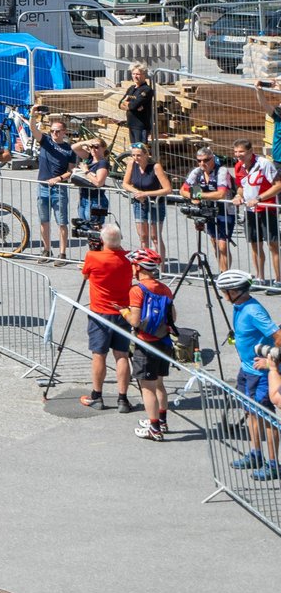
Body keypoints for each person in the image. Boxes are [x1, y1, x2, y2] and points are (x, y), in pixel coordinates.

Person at [219, 270, 281, 480]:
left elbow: (279, 336)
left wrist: (271, 359)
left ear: (235, 291)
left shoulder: (254, 310)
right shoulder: (239, 306)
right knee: (251, 413)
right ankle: (256, 454)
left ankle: (273, 464)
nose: (223, 295)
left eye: (224, 291)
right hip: (246, 370)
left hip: (261, 373)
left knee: (266, 417)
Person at [78, 224, 136, 411]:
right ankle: (123, 399)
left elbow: (85, 275)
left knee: (99, 355)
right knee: (122, 355)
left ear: (102, 240)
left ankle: (97, 395)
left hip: (100, 313)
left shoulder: (93, 257)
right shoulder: (129, 259)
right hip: (123, 312)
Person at [122, 249, 176, 442]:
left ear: (138, 268)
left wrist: (124, 312)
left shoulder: (137, 290)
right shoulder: (165, 289)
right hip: (164, 343)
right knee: (160, 384)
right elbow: (173, 317)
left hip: (146, 344)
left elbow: (135, 321)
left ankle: (154, 428)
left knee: (147, 388)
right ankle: (162, 421)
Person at [181, 146, 237, 274]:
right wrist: (194, 196)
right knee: (214, 243)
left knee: (222, 245)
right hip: (208, 211)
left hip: (225, 210)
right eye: (199, 160)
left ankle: (225, 273)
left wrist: (199, 195)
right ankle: (222, 271)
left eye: (206, 160)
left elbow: (220, 194)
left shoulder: (221, 171)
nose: (202, 163)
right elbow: (183, 190)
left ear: (212, 159)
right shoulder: (197, 172)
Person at [233, 139, 280, 284]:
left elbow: (278, 186)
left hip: (267, 209)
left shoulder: (264, 163)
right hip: (250, 210)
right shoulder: (238, 166)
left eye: (241, 151)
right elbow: (241, 186)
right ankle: (260, 277)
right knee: (255, 245)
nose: (238, 155)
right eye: (235, 152)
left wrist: (259, 198)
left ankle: (279, 280)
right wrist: (238, 196)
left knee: (273, 245)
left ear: (250, 151)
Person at [35, 116, 79, 263]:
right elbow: (33, 129)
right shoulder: (46, 142)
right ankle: (46, 250)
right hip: (42, 187)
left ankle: (62, 253)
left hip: (59, 188)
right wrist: (32, 115)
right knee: (44, 220)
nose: (54, 133)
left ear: (64, 132)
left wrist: (59, 179)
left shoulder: (69, 149)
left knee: (62, 222)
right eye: (52, 131)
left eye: (57, 131)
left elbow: (71, 171)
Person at [120, 141, 173, 256]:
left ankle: (160, 267)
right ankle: (145, 263)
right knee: (143, 236)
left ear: (146, 155)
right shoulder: (131, 164)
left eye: (138, 155)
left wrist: (146, 194)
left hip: (155, 204)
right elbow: (125, 184)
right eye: (133, 155)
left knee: (155, 236)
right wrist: (137, 192)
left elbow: (167, 189)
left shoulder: (155, 167)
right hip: (139, 203)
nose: (136, 158)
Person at [122, 63, 156, 152]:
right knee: (134, 150)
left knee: (140, 151)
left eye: (138, 74)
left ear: (144, 75)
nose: (135, 76)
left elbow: (134, 105)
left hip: (141, 126)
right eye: (133, 74)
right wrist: (130, 105)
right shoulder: (131, 88)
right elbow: (120, 104)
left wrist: (129, 104)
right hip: (131, 125)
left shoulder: (146, 90)